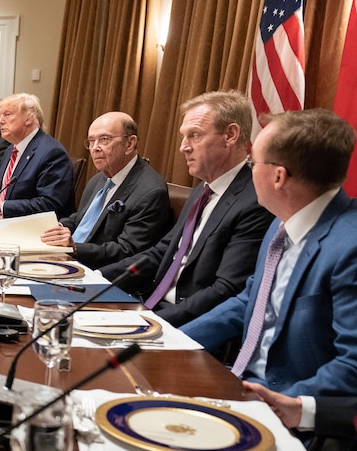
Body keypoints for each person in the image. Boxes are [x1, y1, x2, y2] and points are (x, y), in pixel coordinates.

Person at [182, 109, 357, 400]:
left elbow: (352, 365)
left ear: (278, 177)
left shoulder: (348, 248)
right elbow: (251, 300)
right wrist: (174, 340)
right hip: (237, 379)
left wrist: (277, 403)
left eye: (252, 163)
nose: (249, 171)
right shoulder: (282, 221)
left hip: (289, 406)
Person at [102, 91, 273, 327]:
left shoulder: (254, 201)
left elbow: (226, 290)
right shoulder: (203, 189)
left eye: (194, 135)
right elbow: (162, 252)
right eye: (184, 137)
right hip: (149, 304)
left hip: (187, 323)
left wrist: (148, 323)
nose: (183, 147)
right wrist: (98, 280)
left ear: (230, 135)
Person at [40, 112, 172, 268]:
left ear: (130, 144)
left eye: (104, 139)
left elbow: (127, 250)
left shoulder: (150, 192)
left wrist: (74, 247)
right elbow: (80, 219)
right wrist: (58, 229)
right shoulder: (99, 178)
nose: (95, 148)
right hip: (68, 261)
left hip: (102, 273)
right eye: (91, 141)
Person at [0, 92, 76, 220]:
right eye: (0, 116)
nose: (0, 121)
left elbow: (50, 204)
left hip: (34, 231)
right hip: (2, 224)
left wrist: (3, 206)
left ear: (29, 118)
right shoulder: (10, 150)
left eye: (7, 114)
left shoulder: (51, 152)